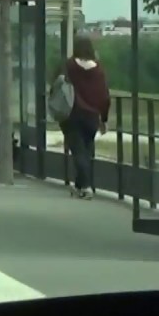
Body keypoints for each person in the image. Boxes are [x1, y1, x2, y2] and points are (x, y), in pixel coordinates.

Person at [62, 36, 111, 199]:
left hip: (72, 114)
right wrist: (103, 119)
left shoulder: (69, 66)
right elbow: (104, 96)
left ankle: (86, 187)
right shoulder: (99, 70)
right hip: (92, 116)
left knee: (78, 152)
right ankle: (80, 186)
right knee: (87, 151)